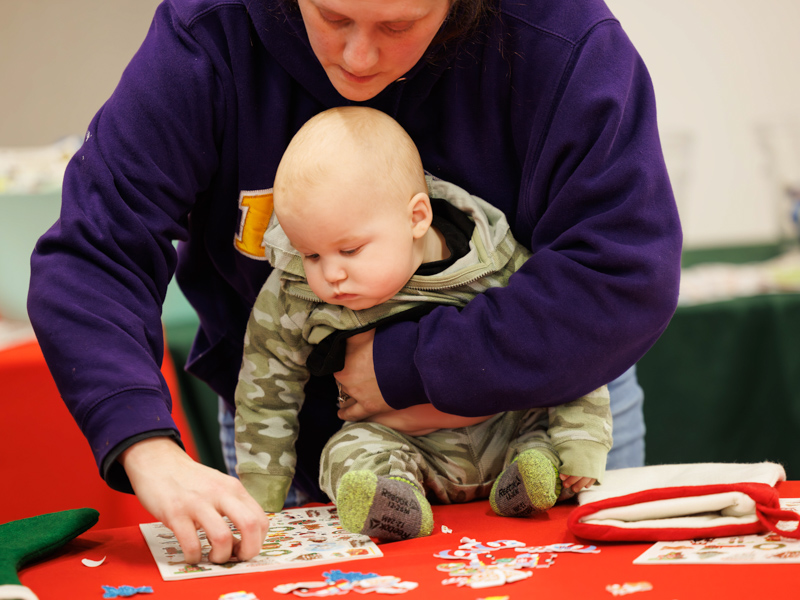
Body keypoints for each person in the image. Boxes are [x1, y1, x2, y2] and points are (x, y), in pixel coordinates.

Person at [27, 0, 682, 564]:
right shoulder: (208, 33)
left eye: (399, 24)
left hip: (540, 408)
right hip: (304, 434)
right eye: (333, 17)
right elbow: (93, 252)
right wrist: (146, 445)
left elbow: (623, 270)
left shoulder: (560, 34)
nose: (360, 57)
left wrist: (407, 368)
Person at [235, 106, 612, 541]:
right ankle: (396, 502)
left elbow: (566, 343)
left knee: (539, 435)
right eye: (312, 255)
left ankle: (530, 473)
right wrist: (261, 492)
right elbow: (265, 386)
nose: (330, 274)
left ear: (417, 218)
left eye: (351, 250)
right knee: (344, 453)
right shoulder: (294, 289)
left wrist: (582, 443)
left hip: (508, 427)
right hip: (399, 445)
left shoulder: (495, 261)